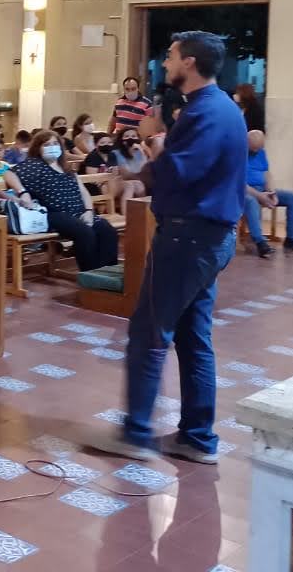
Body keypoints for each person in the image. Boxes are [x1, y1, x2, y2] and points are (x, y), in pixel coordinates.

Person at [82, 33, 248, 467]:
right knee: (193, 338)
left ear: (189, 62)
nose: (167, 62)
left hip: (188, 239)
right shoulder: (219, 107)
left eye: (171, 56)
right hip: (207, 237)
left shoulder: (206, 111)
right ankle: (196, 438)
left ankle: (136, 433)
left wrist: (154, 145)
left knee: (149, 332)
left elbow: (178, 173)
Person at [2, 131, 118, 273]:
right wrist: (23, 192)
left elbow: (83, 192)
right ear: (38, 148)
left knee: (107, 231)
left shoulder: (66, 167)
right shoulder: (34, 165)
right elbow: (8, 173)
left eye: (55, 143)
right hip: (55, 213)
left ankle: (106, 273)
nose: (52, 147)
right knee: (85, 233)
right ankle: (90, 275)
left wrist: (89, 211)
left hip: (80, 212)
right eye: (47, 144)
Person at [244, 129, 293, 258]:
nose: (256, 152)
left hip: (262, 190)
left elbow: (266, 174)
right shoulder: (237, 153)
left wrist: (271, 192)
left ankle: (292, 240)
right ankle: (260, 243)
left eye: (258, 148)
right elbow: (238, 183)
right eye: (253, 149)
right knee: (251, 201)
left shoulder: (261, 153)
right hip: (245, 192)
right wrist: (259, 196)